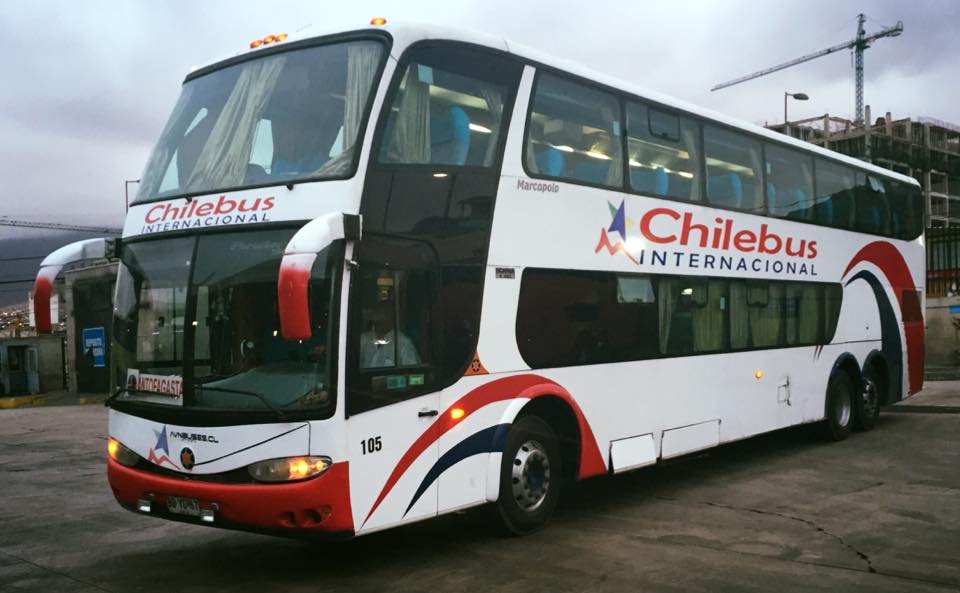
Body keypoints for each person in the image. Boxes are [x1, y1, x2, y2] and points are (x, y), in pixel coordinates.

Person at [359, 288, 421, 369]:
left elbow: (412, 372)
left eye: (386, 313)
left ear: (393, 319)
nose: (381, 317)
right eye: (379, 312)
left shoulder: (403, 343)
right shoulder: (364, 339)